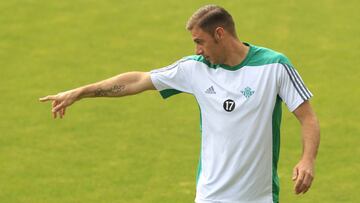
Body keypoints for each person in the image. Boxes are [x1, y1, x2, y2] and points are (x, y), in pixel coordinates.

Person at [39, 5, 320, 203]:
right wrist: (81, 91)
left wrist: (307, 159)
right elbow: (139, 80)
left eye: (200, 41)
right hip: (210, 195)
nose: (196, 49)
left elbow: (307, 117)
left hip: (258, 197)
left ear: (220, 34)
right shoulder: (194, 69)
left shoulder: (274, 66)